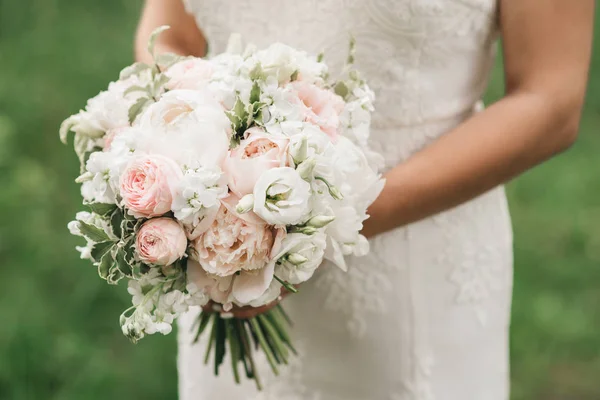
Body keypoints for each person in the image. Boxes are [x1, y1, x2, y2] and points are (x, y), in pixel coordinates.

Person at [135, 1, 594, 399]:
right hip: (223, 249)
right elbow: (171, 34)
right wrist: (203, 187)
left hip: (414, 253)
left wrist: (313, 224)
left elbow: (549, 99)